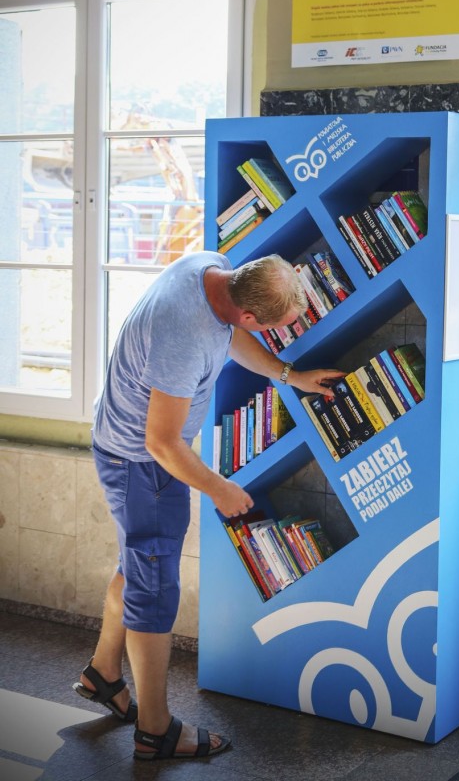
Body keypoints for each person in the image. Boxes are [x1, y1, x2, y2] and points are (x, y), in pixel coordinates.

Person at [72, 251, 343, 761]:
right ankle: (156, 731)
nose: (280, 331)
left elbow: (232, 336)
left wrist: (289, 374)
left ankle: (104, 673)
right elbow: (162, 443)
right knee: (154, 588)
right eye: (278, 326)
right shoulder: (183, 333)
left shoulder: (210, 268)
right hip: (142, 464)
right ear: (247, 310)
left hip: (130, 450)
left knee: (140, 568)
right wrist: (219, 488)